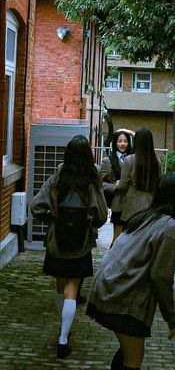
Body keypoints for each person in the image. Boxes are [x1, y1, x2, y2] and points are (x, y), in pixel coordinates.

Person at [86, 173, 175, 370]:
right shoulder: (168, 227)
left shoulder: (146, 217)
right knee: (133, 359)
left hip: (109, 288)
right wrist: (171, 318)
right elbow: (161, 277)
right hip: (121, 297)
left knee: (128, 353)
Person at [30, 135, 108, 360]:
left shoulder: (58, 176)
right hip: (80, 242)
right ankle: (63, 338)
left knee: (59, 288)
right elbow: (101, 215)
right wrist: (90, 223)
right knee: (72, 291)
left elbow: (36, 205)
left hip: (57, 240)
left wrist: (52, 219)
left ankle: (64, 326)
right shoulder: (92, 178)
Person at [115, 126, 161, 224]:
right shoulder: (157, 161)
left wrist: (118, 183)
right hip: (151, 206)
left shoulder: (129, 160)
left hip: (133, 206)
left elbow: (122, 185)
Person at [100, 129, 132, 247]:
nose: (122, 144)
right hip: (118, 203)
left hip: (132, 203)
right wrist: (114, 186)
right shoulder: (108, 161)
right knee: (117, 240)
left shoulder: (133, 158)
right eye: (119, 141)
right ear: (115, 143)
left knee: (130, 239)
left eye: (125, 141)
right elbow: (100, 183)